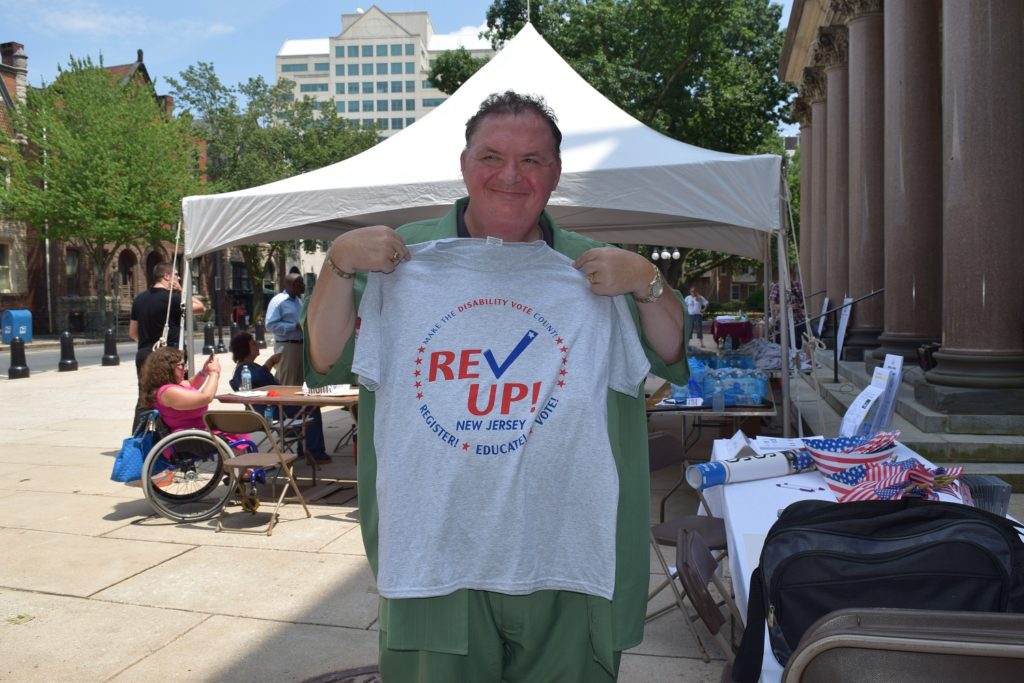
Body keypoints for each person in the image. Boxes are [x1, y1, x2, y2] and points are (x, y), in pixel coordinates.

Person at [305, 91, 688, 682]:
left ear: (555, 175)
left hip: (568, 552)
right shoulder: (400, 262)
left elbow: (669, 351)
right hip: (436, 550)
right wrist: (337, 262)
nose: (511, 175)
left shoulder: (595, 269)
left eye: (533, 160)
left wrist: (650, 281)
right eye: (492, 156)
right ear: (464, 165)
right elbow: (325, 354)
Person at [228, 332, 330, 463]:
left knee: (307, 406)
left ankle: (306, 449)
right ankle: (314, 453)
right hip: (267, 411)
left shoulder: (250, 367)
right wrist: (270, 362)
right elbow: (258, 378)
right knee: (311, 409)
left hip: (272, 407)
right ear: (244, 348)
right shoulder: (243, 369)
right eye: (253, 344)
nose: (257, 345)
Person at [129, 262, 205, 430]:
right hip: (168, 357)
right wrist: (181, 290)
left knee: (145, 398)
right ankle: (172, 438)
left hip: (144, 354)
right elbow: (201, 307)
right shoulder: (173, 299)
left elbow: (133, 333)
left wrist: (149, 343)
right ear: (167, 276)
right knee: (173, 397)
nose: (178, 278)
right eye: (176, 275)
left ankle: (138, 440)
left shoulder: (139, 299)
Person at [138, 346, 223, 432]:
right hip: (194, 439)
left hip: (201, 433)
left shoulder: (172, 385)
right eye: (181, 365)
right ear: (168, 368)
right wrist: (214, 373)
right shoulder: (168, 392)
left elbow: (191, 384)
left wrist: (204, 371)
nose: (185, 369)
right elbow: (206, 397)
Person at [264, 272, 306, 386]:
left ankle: (298, 404)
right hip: (287, 347)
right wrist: (293, 326)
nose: (304, 285)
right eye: (301, 283)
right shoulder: (278, 301)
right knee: (288, 382)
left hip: (301, 346)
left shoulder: (299, 302)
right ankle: (286, 404)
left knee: (300, 383)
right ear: (293, 285)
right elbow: (270, 325)